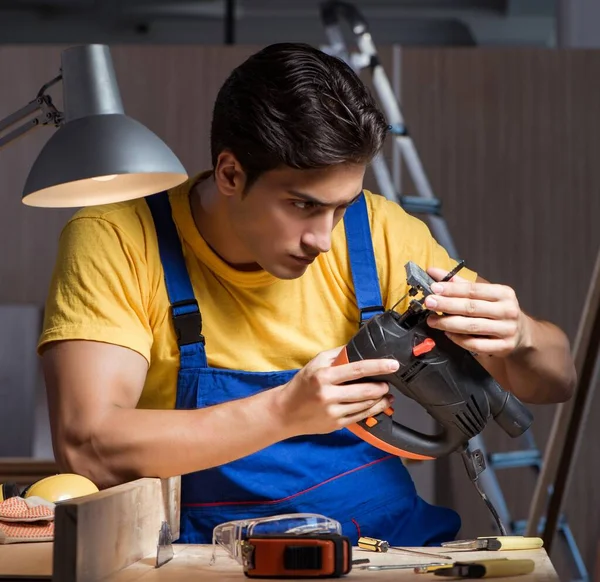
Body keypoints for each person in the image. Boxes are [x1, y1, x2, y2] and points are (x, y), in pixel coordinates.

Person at [38, 43, 575, 546]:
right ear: (231, 173)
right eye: (302, 206)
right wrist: (284, 412)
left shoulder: (380, 232)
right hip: (206, 558)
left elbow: (556, 381)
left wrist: (522, 336)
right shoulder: (120, 240)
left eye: (341, 207)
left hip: (390, 548)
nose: (324, 239)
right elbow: (89, 446)